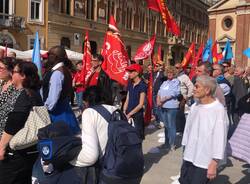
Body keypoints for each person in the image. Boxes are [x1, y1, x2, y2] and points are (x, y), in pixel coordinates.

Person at [179, 75, 229, 184]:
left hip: (204, 160)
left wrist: (214, 162)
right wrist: (185, 150)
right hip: (189, 156)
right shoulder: (194, 107)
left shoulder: (218, 110)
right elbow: (188, 130)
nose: (194, 89)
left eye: (197, 86)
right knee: (183, 181)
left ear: (207, 90)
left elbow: (220, 138)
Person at [0, 60, 43, 184]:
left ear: (23, 75)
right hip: (25, 149)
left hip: (16, 150)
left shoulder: (25, 94)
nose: (12, 74)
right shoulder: (30, 92)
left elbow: (15, 121)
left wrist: (2, 147)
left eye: (14, 72)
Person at [42, 46, 80, 134]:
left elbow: (53, 99)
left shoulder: (57, 73)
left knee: (61, 141)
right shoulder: (63, 70)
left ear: (55, 57)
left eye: (49, 55)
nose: (47, 57)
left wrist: (44, 110)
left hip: (58, 114)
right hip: (64, 111)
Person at [157, 66, 180, 150]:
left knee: (171, 125)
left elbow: (175, 92)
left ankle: (172, 144)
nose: (169, 74)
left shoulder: (176, 81)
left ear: (174, 74)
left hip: (171, 106)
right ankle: (166, 143)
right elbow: (159, 91)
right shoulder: (165, 82)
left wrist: (164, 99)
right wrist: (158, 99)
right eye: (168, 72)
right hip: (163, 106)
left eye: (171, 73)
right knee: (166, 126)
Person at [123, 64, 147, 139]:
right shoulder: (130, 83)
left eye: (130, 72)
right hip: (128, 114)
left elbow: (141, 104)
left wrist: (129, 114)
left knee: (137, 137)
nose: (128, 74)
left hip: (137, 115)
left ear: (137, 73)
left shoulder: (142, 85)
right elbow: (127, 98)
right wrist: (124, 111)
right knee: (128, 137)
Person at [174, 63, 194, 133]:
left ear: (181, 69)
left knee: (180, 115)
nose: (175, 69)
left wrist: (187, 97)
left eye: (177, 68)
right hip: (174, 98)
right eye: (175, 67)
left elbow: (191, 86)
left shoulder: (184, 77)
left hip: (182, 99)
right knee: (176, 115)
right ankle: (177, 129)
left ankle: (181, 130)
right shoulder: (175, 76)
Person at [0, 57, 16, 137]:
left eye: (1, 68)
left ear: (10, 70)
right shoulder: (3, 84)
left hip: (6, 130)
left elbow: (11, 110)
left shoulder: (15, 87)